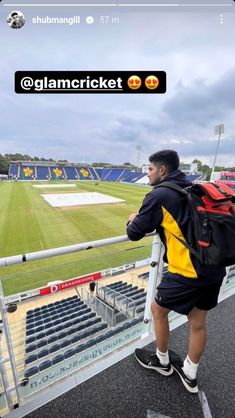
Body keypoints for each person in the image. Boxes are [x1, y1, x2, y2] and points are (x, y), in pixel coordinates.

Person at [126, 150, 225, 393]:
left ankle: (162, 362)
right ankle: (190, 374)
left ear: (161, 170)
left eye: (149, 168)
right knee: (198, 322)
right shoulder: (191, 188)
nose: (147, 173)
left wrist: (132, 218)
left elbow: (134, 233)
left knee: (157, 310)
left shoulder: (158, 195)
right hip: (214, 268)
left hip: (187, 272)